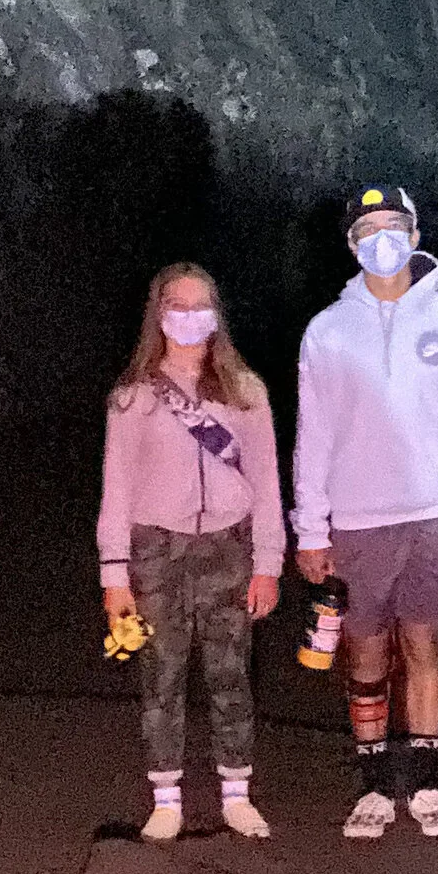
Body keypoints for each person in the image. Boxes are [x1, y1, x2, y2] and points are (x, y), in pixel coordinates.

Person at [291, 183, 438, 840]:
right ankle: (374, 780)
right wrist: (310, 527)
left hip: (432, 514)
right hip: (355, 520)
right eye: (368, 228)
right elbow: (313, 433)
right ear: (351, 244)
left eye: (394, 225)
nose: (383, 239)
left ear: (415, 232)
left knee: (425, 643)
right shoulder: (326, 330)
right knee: (365, 649)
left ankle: (427, 780)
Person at [97, 262, 285, 842]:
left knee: (231, 673)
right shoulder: (132, 400)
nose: (189, 316)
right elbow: (117, 492)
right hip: (156, 550)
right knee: (163, 676)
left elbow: (268, 487)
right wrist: (114, 575)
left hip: (229, 545)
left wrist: (268, 564)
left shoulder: (246, 392)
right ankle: (167, 796)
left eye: (200, 305)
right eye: (177, 305)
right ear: (159, 313)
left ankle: (236, 792)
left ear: (216, 314)